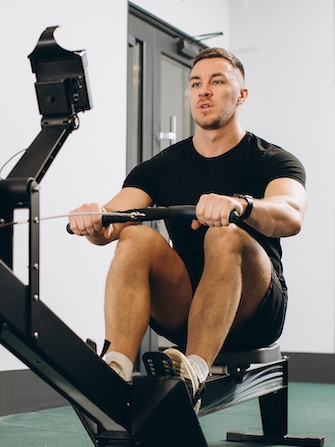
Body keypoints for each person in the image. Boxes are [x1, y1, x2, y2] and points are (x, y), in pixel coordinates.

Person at [68, 47, 307, 408]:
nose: (203, 91)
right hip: (185, 307)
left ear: (241, 95)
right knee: (135, 235)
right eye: (196, 83)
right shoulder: (161, 166)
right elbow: (113, 221)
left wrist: (240, 206)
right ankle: (114, 371)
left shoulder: (272, 159)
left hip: (254, 311)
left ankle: (194, 374)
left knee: (224, 233)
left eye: (217, 81)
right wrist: (94, 219)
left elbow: (290, 214)